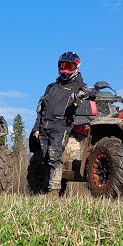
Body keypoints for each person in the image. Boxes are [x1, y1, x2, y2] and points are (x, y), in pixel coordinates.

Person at [31, 51, 96, 197]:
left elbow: (92, 93)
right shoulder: (51, 87)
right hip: (44, 127)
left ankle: (53, 191)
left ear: (77, 67)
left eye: (69, 66)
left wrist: (82, 94)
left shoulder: (80, 86)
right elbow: (41, 109)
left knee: (54, 158)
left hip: (61, 126)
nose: (65, 70)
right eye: (62, 66)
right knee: (43, 159)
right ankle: (43, 190)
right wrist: (36, 128)